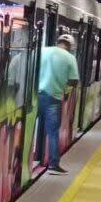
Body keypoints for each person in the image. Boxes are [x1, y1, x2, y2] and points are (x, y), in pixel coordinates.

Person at [37, 33, 80, 175]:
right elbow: (74, 80)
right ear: (70, 46)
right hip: (53, 98)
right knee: (52, 132)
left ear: (58, 41)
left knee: (31, 128)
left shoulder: (43, 50)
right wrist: (63, 85)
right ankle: (53, 165)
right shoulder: (70, 58)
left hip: (35, 95)